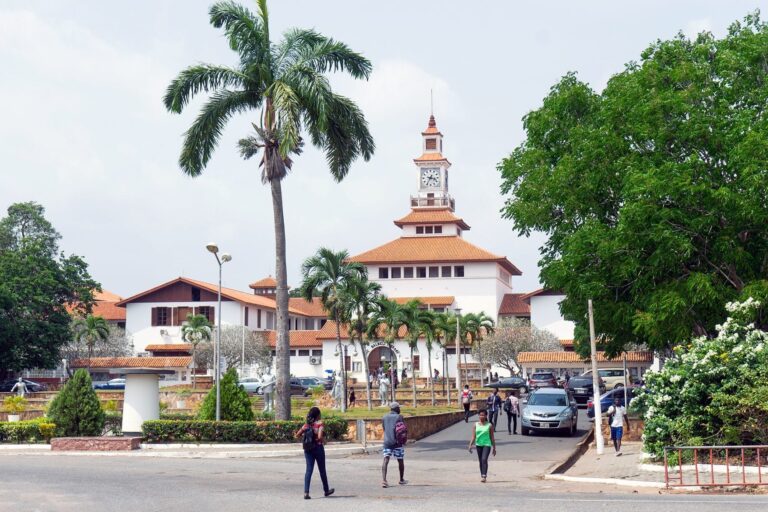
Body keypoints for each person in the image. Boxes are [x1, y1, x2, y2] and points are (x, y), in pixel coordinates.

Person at [294, 407, 335, 499]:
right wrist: (324, 441)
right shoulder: (319, 424)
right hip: (318, 448)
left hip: (308, 449)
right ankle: (326, 490)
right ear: (317, 415)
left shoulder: (306, 425)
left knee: (309, 470)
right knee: (322, 470)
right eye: (319, 414)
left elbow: (297, 435)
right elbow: (320, 437)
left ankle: (306, 492)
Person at [381, 402, 407, 488]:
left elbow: (384, 428)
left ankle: (384, 480)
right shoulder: (399, 417)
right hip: (397, 443)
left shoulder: (384, 417)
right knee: (400, 460)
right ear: (396, 409)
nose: (400, 409)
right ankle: (401, 479)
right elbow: (403, 429)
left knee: (386, 460)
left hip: (387, 442)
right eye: (399, 408)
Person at [468, 409, 496, 483]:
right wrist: (470, 445)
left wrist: (494, 448)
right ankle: (482, 474)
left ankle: (484, 476)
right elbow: (473, 436)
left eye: (483, 415)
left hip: (487, 444)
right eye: (480, 415)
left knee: (484, 459)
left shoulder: (489, 425)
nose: (481, 416)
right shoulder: (475, 425)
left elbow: (492, 437)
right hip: (478, 444)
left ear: (486, 416)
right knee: (480, 461)